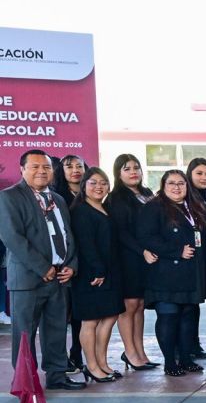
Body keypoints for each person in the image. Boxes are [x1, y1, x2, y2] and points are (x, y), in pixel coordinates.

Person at [0, 150, 83, 390]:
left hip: (59, 277)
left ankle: (57, 377)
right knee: (25, 333)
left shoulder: (57, 199)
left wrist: (72, 265)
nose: (41, 171)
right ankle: (26, 382)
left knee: (56, 330)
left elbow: (69, 236)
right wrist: (42, 267)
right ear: (22, 169)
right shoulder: (9, 197)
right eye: (35, 167)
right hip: (28, 279)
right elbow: (12, 238)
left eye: (46, 167)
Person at [136, 170, 206, 377]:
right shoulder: (153, 207)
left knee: (188, 318)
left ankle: (186, 359)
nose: (176, 187)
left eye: (181, 183)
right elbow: (146, 237)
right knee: (168, 317)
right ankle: (170, 362)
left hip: (191, 273)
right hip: (165, 274)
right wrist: (176, 251)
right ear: (163, 185)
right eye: (171, 183)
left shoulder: (194, 207)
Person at [69, 168, 126, 383]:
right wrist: (98, 270)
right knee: (90, 321)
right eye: (93, 183)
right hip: (91, 274)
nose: (99, 187)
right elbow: (86, 245)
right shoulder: (81, 211)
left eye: (103, 183)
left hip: (110, 271)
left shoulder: (104, 208)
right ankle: (91, 366)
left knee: (110, 316)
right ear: (84, 186)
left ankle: (102, 362)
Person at [107, 153, 159, 372]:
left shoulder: (147, 194)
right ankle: (130, 352)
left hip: (146, 261)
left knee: (139, 307)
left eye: (136, 167)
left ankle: (140, 352)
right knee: (128, 307)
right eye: (127, 168)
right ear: (119, 173)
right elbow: (121, 232)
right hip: (128, 258)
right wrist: (143, 250)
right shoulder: (116, 198)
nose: (133, 172)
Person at [53, 154, 87, 372]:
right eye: (69, 166)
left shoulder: (91, 193)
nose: (75, 170)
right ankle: (59, 358)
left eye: (79, 166)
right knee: (59, 315)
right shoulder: (56, 197)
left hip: (85, 262)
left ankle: (77, 353)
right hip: (63, 263)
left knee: (80, 315)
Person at [186, 157, 206, 362]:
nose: (204, 178)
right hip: (190, 257)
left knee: (198, 304)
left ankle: (194, 344)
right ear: (190, 175)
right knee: (189, 305)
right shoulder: (186, 196)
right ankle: (187, 345)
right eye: (199, 173)